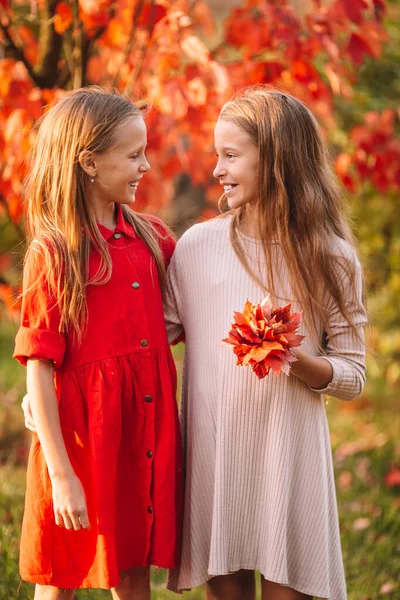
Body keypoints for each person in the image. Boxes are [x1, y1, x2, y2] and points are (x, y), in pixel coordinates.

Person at [164, 87, 367, 600]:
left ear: (277, 161)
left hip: (288, 458)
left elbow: (353, 375)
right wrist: (53, 378)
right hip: (215, 457)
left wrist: (300, 362)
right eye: (217, 155)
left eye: (231, 156)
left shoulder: (330, 256)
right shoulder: (197, 247)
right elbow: (147, 341)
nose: (216, 170)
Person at [13, 87, 182, 600]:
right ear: (89, 162)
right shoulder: (55, 253)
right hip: (79, 439)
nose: (146, 166)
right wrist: (62, 475)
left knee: (132, 566)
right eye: (132, 155)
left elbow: (170, 321)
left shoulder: (152, 238)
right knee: (61, 572)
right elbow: (39, 365)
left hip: (140, 432)